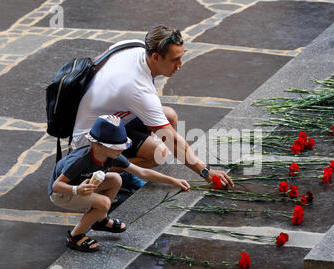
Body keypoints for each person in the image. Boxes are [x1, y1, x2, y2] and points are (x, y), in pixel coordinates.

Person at [72, 25, 234, 191]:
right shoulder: (138, 89)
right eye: (174, 60)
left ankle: (124, 162)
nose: (180, 64)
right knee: (159, 152)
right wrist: (206, 172)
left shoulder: (135, 46)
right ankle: (93, 168)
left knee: (169, 116)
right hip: (90, 139)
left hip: (109, 119)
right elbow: (172, 140)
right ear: (156, 57)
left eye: (181, 56)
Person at [49, 115, 190, 252]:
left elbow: (142, 172)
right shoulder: (80, 160)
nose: (121, 149)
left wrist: (173, 180)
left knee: (116, 179)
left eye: (122, 145)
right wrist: (76, 190)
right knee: (104, 202)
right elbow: (56, 186)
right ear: (97, 145)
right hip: (63, 192)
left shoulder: (112, 155)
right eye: (116, 146)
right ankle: (75, 236)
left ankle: (100, 220)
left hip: (83, 186)